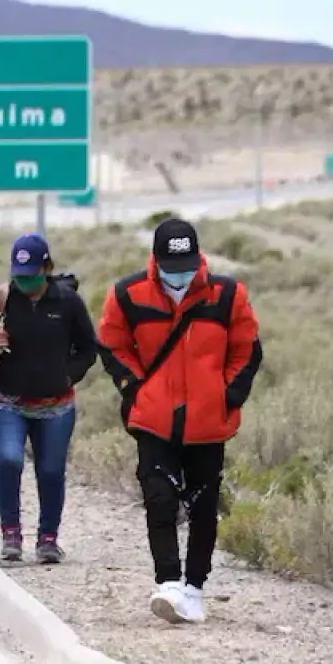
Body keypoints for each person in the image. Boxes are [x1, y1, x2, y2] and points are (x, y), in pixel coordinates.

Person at [97, 218, 261, 625]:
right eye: (172, 266)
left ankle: (194, 589)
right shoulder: (127, 294)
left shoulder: (228, 295)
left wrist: (227, 396)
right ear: (156, 260)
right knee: (159, 497)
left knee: (204, 507)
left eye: (187, 265)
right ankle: (168, 582)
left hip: (208, 422)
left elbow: (247, 350)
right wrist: (134, 389)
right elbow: (112, 344)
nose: (181, 274)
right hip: (154, 418)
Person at [0, 233, 98, 564]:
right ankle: (11, 534)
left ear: (47, 268)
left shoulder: (68, 302)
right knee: (9, 459)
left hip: (56, 406)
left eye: (32, 276)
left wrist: (68, 375)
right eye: (19, 276)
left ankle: (48, 538)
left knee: (51, 471)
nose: (25, 283)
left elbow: (89, 348)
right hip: (5, 400)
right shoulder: (1, 298)